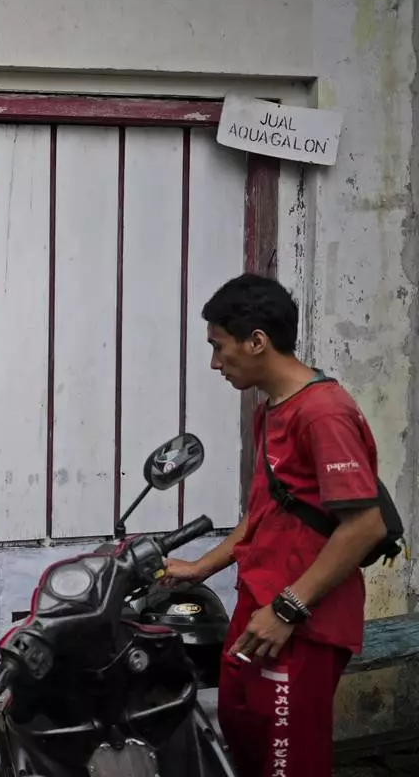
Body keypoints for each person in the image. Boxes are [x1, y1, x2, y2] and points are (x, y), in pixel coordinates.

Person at [162, 273, 387, 776]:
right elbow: (264, 515)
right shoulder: (271, 412)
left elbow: (365, 526)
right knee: (244, 744)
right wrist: (201, 567)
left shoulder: (323, 412)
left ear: (257, 341)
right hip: (257, 609)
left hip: (300, 623)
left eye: (220, 347)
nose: (215, 363)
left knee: (289, 764)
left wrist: (288, 609)